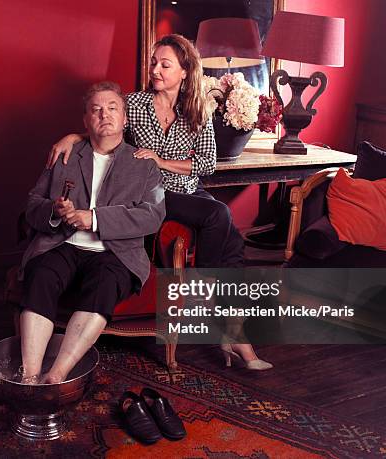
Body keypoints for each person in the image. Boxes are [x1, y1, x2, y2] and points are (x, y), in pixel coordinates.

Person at [46, 34, 272, 370]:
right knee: (219, 213)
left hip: (188, 191)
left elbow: (207, 163)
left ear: (184, 72)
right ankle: (218, 316)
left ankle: (232, 328)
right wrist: (72, 136)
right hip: (152, 193)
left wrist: (161, 159)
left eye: (165, 64)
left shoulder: (197, 109)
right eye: (154, 62)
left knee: (232, 239)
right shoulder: (135, 104)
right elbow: (105, 121)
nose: (155, 69)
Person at [19, 81, 165, 384]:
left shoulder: (144, 165)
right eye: (96, 110)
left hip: (115, 253)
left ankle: (57, 375)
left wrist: (95, 219)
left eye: (113, 108)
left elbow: (153, 216)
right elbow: (33, 204)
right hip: (61, 244)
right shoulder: (65, 154)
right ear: (86, 121)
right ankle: (29, 376)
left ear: (125, 119)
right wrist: (54, 213)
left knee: (104, 285)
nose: (105, 115)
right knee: (41, 275)